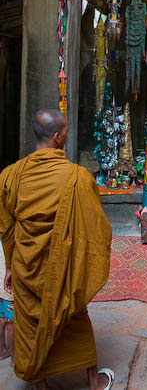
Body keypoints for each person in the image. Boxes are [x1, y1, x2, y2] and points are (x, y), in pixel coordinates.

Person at [0, 110, 114, 390]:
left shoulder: (10, 176)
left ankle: (41, 384)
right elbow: (97, 231)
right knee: (73, 317)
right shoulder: (77, 178)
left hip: (27, 268)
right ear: (57, 136)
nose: (66, 135)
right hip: (63, 272)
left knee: (31, 323)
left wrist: (12, 266)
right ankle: (93, 382)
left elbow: (7, 229)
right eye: (65, 132)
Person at [0, 243, 14, 364]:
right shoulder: (7, 240)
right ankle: (15, 358)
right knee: (11, 323)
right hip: (8, 286)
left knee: (1, 319)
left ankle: (2, 351)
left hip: (0, 286)